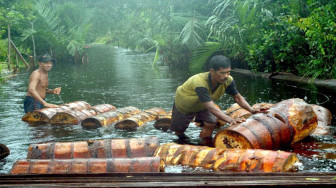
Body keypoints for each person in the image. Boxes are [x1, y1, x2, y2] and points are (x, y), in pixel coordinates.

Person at [170, 55, 267, 143]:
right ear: (212, 71)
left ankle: (202, 143)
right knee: (179, 131)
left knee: (211, 122)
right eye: (222, 73)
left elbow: (237, 97)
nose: (226, 76)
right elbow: (211, 107)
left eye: (228, 72)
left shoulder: (228, 80)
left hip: (202, 105)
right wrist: (230, 120)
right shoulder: (200, 83)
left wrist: (251, 109)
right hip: (184, 105)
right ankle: (181, 142)